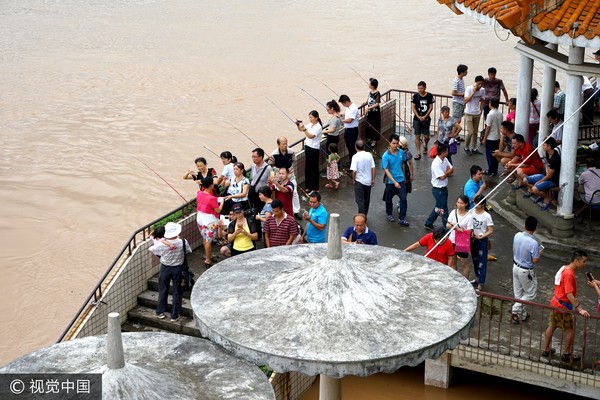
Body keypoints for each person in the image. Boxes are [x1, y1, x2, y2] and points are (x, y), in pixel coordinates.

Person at [542, 250, 590, 362]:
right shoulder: (569, 274)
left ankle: (546, 349)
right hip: (563, 307)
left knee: (552, 326)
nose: (585, 264)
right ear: (576, 261)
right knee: (570, 330)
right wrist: (580, 308)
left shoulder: (565, 268)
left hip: (556, 302)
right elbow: (569, 294)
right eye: (584, 261)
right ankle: (567, 353)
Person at [149, 222, 191, 322]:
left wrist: (165, 243)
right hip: (178, 269)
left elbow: (151, 249)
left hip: (165, 269)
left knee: (163, 290)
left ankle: (160, 312)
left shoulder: (161, 244)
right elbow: (189, 250)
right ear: (177, 232)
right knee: (177, 292)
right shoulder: (183, 242)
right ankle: (175, 315)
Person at [511, 216, 542, 323]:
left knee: (518, 293)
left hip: (515, 266)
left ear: (524, 225)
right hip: (526, 270)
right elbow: (535, 260)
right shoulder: (533, 243)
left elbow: (513, 249)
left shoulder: (517, 235)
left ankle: (522, 315)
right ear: (535, 228)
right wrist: (540, 253)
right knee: (530, 293)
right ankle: (515, 309)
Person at [522, 137, 561, 212]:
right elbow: (546, 162)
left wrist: (539, 181)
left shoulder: (555, 158)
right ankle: (542, 194)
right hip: (546, 175)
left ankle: (547, 197)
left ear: (549, 146)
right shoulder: (548, 153)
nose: (543, 146)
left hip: (552, 180)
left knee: (534, 189)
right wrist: (546, 168)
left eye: (544, 145)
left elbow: (549, 176)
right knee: (525, 179)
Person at [424, 142, 453, 231]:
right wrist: (447, 172)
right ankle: (446, 228)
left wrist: (446, 173)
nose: (448, 152)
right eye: (447, 150)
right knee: (444, 209)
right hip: (438, 190)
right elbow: (442, 177)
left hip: (444, 188)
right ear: (444, 152)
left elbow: (452, 169)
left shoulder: (445, 159)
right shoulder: (436, 163)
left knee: (438, 207)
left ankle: (428, 222)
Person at [196, 177, 224, 268]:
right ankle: (208, 259)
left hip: (200, 217)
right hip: (209, 220)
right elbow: (218, 210)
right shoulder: (212, 198)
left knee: (205, 237)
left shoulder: (199, 193)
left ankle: (209, 255)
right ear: (211, 185)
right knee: (209, 239)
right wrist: (222, 201)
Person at [269, 136, 300, 217]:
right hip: (279, 177)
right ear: (278, 145)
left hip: (291, 175)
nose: (285, 146)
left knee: (295, 193)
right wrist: (278, 171)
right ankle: (279, 210)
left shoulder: (291, 151)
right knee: (279, 193)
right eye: (283, 144)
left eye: (286, 144)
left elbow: (293, 159)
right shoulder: (274, 154)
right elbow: (271, 163)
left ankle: (296, 211)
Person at [382, 134, 408, 225]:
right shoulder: (386, 156)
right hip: (390, 181)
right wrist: (394, 182)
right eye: (393, 143)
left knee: (403, 199)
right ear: (390, 143)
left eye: (397, 143)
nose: (395, 145)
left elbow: (403, 164)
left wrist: (404, 176)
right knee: (388, 199)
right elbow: (387, 170)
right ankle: (389, 214)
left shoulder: (401, 152)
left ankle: (402, 218)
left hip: (401, 179)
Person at [470, 194, 494, 292]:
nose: (476, 204)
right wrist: (471, 233)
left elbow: (490, 230)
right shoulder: (471, 212)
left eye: (478, 203)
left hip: (482, 241)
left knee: (482, 262)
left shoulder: (487, 216)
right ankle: (477, 278)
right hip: (472, 240)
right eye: (475, 202)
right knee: (475, 260)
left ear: (483, 204)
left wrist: (482, 236)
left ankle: (481, 283)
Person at [446, 195, 473, 278]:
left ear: (466, 204)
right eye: (458, 202)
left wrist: (459, 229)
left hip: (462, 242)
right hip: (452, 240)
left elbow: (470, 231)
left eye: (461, 203)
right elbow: (447, 225)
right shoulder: (453, 212)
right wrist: (452, 226)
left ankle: (466, 281)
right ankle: (454, 280)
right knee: (452, 262)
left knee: (464, 263)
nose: (459, 205)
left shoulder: (469, 216)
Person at [297, 110, 323, 192]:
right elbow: (301, 130)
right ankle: (308, 186)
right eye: (309, 117)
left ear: (316, 118)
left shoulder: (318, 127)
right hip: (308, 147)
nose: (310, 119)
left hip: (314, 149)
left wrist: (304, 129)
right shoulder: (310, 125)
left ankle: (315, 188)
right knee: (307, 167)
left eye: (311, 117)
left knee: (314, 168)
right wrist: (298, 125)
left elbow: (311, 136)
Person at [350, 140, 376, 216]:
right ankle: (364, 215)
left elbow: (354, 171)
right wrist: (373, 179)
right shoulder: (369, 155)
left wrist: (353, 180)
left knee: (360, 200)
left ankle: (362, 217)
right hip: (368, 181)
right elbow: (373, 167)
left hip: (359, 181)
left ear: (355, 147)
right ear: (364, 146)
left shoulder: (355, 157)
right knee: (366, 200)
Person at [411, 81, 435, 160]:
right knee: (417, 135)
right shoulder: (415, 96)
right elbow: (413, 107)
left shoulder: (429, 96)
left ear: (425, 88)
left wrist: (425, 116)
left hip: (426, 119)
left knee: (426, 136)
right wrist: (418, 116)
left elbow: (431, 107)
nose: (420, 90)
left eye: (421, 88)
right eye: (418, 88)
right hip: (417, 119)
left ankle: (425, 145)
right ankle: (418, 152)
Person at [463, 75, 485, 155]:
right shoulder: (469, 89)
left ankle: (474, 148)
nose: (480, 86)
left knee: (475, 132)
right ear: (475, 82)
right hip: (469, 113)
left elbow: (483, 100)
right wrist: (474, 92)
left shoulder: (482, 90)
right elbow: (465, 101)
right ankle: (466, 147)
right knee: (470, 132)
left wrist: (480, 110)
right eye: (479, 84)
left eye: (481, 84)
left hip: (477, 113)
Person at [482, 98, 502, 176]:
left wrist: (484, 138)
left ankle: (490, 170)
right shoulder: (500, 114)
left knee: (489, 155)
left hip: (490, 137)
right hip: (497, 136)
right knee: (495, 154)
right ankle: (495, 169)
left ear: (490, 104)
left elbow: (488, 127)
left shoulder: (490, 115)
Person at [339, 94, 360, 162]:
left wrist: (341, 121)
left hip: (352, 130)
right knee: (348, 146)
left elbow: (350, 120)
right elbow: (348, 115)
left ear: (346, 102)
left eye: (343, 104)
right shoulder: (348, 107)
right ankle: (351, 160)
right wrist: (343, 115)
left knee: (352, 147)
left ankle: (353, 163)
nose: (343, 105)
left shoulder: (353, 108)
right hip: (348, 129)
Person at [362, 77, 381, 147]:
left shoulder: (377, 93)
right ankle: (370, 139)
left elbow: (377, 103)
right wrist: (364, 103)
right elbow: (368, 100)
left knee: (374, 126)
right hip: (370, 112)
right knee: (369, 125)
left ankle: (374, 141)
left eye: (369, 84)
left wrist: (368, 108)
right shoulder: (370, 92)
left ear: (372, 86)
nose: (368, 85)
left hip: (375, 113)